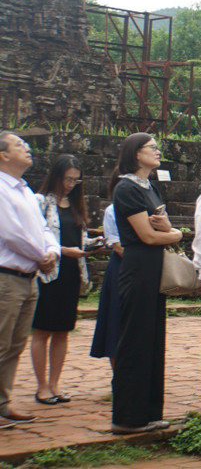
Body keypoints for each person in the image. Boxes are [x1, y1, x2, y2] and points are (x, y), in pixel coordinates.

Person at [109, 132, 183, 434]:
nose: (157, 152)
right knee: (135, 341)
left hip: (153, 269)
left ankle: (149, 412)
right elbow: (149, 235)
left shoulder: (149, 186)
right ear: (135, 153)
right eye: (151, 148)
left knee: (152, 340)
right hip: (138, 267)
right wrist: (178, 234)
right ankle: (127, 416)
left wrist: (169, 229)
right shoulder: (126, 188)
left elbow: (160, 225)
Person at [0, 131, 60, 428]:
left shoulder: (25, 190)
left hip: (28, 277)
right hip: (6, 278)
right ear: (3, 155)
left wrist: (51, 251)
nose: (27, 149)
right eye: (19, 145)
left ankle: (3, 402)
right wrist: (42, 256)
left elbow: (44, 228)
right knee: (1, 342)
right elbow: (11, 234)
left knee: (15, 344)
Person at [30, 154, 100, 405]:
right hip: (47, 274)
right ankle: (41, 386)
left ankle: (55, 384)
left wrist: (93, 245)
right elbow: (35, 238)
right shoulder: (40, 202)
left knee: (62, 331)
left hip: (71, 273)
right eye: (68, 179)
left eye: (75, 179)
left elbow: (78, 240)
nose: (71, 184)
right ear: (56, 177)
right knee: (42, 330)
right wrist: (63, 251)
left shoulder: (74, 204)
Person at [89, 203, 123, 368]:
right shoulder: (112, 210)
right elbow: (117, 245)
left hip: (141, 267)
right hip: (124, 267)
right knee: (115, 320)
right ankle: (118, 374)